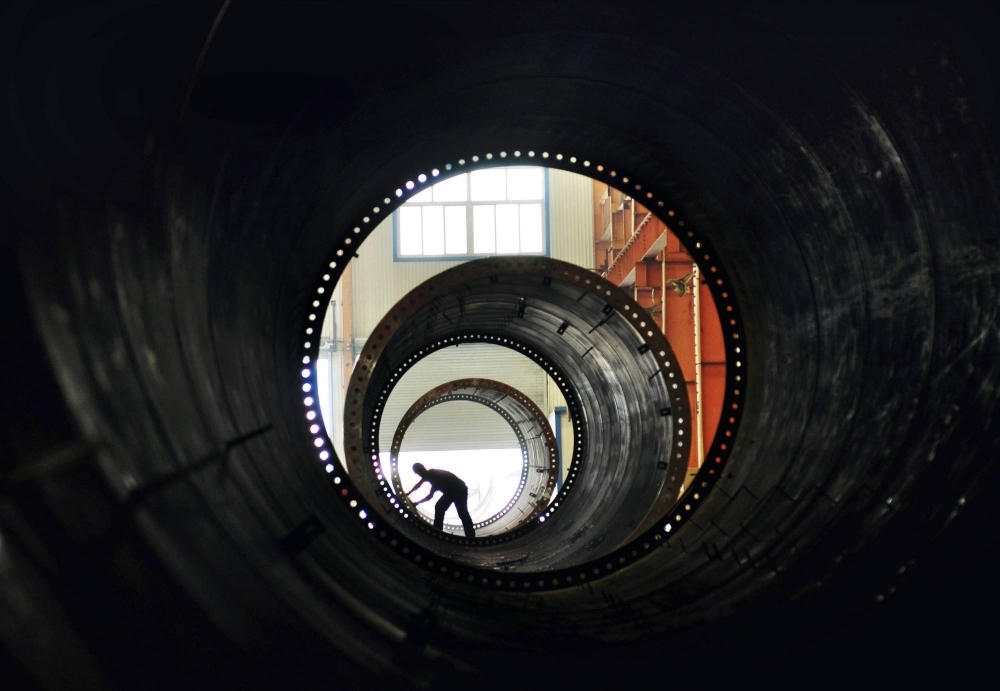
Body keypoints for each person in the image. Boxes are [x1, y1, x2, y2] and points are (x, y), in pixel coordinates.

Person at [405, 463, 475, 538]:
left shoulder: (433, 476)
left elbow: (428, 495)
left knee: (441, 508)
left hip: (456, 489)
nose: (419, 474)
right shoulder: (432, 475)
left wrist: (415, 501)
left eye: (418, 472)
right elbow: (420, 486)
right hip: (458, 489)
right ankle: (470, 535)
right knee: (461, 512)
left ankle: (437, 531)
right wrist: (411, 495)